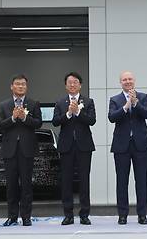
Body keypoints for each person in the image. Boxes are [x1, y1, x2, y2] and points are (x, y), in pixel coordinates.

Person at [0, 74, 43, 226]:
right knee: (11, 185)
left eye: (23, 84)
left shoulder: (33, 103)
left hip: (27, 149)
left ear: (26, 87)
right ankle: (12, 216)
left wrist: (24, 118)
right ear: (12, 86)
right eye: (17, 84)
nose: (21, 86)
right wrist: (12, 118)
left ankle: (26, 216)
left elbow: (38, 123)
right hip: (10, 150)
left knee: (27, 185)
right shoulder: (4, 105)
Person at [108, 71, 147, 225]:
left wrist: (135, 103)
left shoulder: (143, 97)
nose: (127, 81)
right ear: (120, 82)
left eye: (130, 79)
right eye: (124, 79)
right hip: (121, 145)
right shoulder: (115, 99)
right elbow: (112, 117)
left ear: (134, 81)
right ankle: (122, 215)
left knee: (141, 181)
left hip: (141, 144)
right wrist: (126, 106)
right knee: (122, 181)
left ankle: (142, 214)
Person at [52, 72, 96, 226]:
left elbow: (92, 121)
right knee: (66, 181)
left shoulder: (88, 101)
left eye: (75, 82)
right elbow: (56, 122)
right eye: (69, 82)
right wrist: (69, 113)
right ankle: (68, 214)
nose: (72, 84)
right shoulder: (60, 102)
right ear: (66, 85)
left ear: (80, 85)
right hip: (66, 146)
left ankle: (84, 214)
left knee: (84, 180)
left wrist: (78, 111)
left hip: (84, 146)